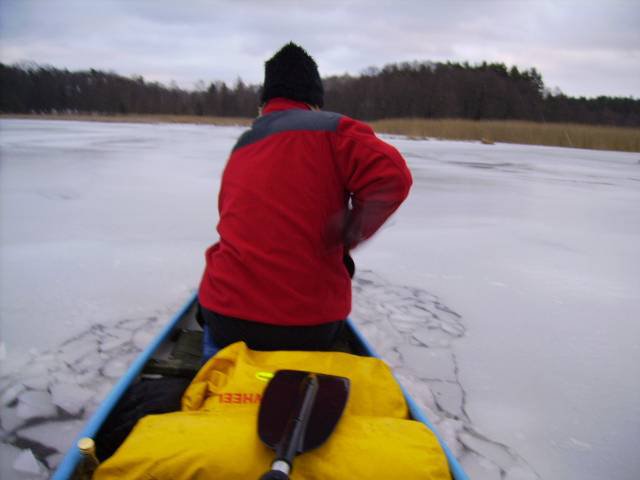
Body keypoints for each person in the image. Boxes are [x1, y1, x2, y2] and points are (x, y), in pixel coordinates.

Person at [198, 42, 412, 352]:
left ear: (264, 103)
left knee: (215, 317)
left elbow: (231, 222)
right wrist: (347, 232)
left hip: (227, 317)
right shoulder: (333, 131)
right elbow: (393, 176)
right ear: (313, 101)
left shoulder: (243, 145)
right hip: (307, 326)